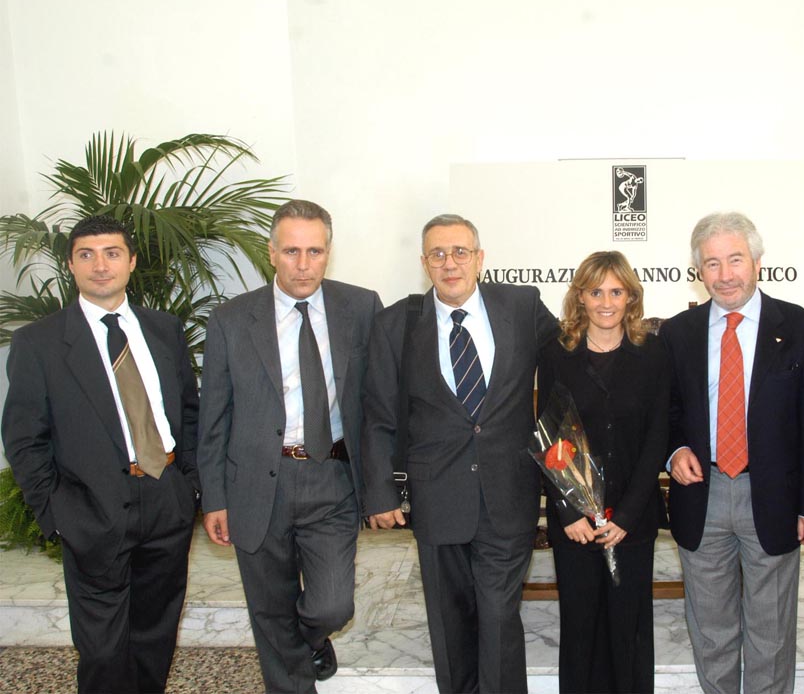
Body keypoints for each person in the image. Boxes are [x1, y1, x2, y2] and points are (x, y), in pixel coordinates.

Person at [361, 214, 559, 693]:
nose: (450, 263)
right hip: (436, 495)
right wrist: (379, 493)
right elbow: (378, 415)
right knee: (450, 625)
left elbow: (570, 361)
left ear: (480, 258)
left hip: (508, 491)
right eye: (438, 254)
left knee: (497, 617)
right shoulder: (396, 324)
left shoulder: (522, 304)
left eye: (460, 252)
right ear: (424, 263)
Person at [2, 216, 200, 693]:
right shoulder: (40, 343)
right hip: (91, 510)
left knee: (155, 635)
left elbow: (189, 414)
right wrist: (56, 512)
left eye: (112, 253)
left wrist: (193, 487)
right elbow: (24, 437)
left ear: (131, 262)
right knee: (103, 648)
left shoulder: (164, 329)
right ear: (71, 264)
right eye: (86, 254)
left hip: (165, 499)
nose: (100, 265)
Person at [197, 199, 382, 693]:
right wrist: (213, 497)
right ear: (272, 253)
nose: (304, 264)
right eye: (292, 251)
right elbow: (213, 416)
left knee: (331, 604)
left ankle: (309, 638)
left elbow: (379, 402)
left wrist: (385, 485)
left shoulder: (361, 307)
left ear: (328, 253)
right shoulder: (231, 319)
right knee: (268, 605)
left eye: (315, 251)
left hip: (333, 476)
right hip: (257, 482)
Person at [660, 212, 804, 693]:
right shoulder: (679, 333)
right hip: (703, 493)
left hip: (773, 494)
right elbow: (668, 411)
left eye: (735, 259)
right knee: (710, 629)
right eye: (712, 263)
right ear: (699, 270)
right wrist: (673, 451)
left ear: (757, 261)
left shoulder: (800, 329)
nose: (725, 274)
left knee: (771, 631)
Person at [536, 251, 670, 693]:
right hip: (574, 523)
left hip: (631, 521)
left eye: (616, 291)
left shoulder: (652, 352)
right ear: (581, 297)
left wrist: (626, 518)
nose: (606, 302)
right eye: (596, 292)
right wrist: (568, 512)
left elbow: (657, 438)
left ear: (631, 296)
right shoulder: (556, 352)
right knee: (580, 630)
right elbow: (549, 436)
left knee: (628, 630)